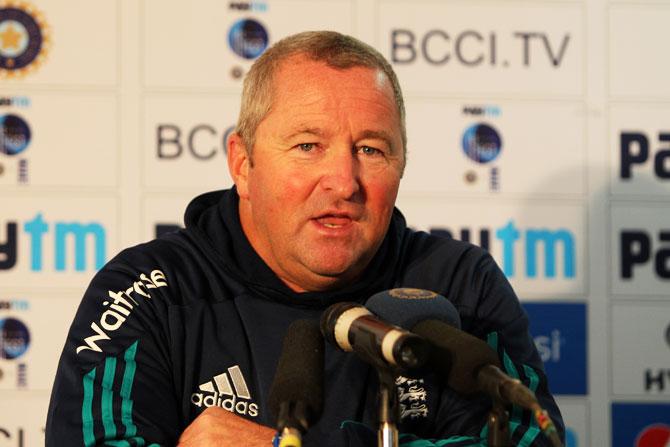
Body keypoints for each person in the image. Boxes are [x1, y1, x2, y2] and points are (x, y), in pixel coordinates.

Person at [45, 31, 564, 446]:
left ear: (401, 164)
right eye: (308, 145)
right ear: (243, 164)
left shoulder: (458, 283)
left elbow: (526, 439)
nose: (343, 181)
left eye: (371, 150)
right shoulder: (151, 288)